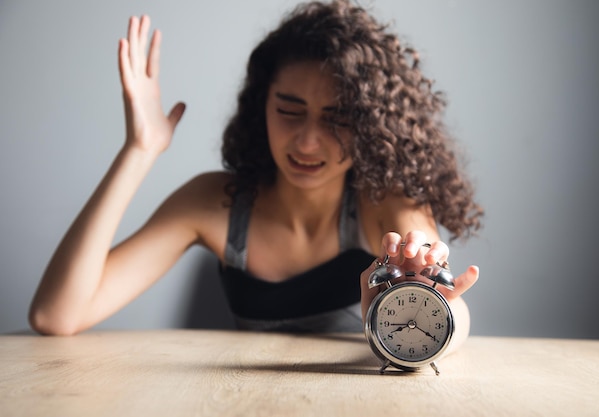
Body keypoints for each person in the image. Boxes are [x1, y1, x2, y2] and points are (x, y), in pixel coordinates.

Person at [29, 0, 482, 351]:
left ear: (369, 124)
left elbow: (450, 312)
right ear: (259, 105)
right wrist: (139, 150)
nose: (307, 141)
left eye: (336, 118)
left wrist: (425, 301)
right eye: (289, 110)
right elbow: (56, 315)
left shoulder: (385, 201)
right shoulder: (215, 203)